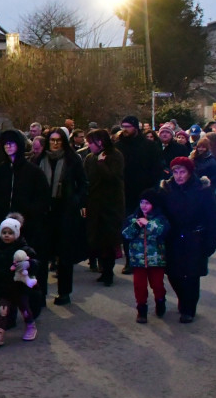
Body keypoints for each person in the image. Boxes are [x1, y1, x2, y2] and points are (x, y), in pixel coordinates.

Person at [0, 129, 50, 320]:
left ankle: (32, 309)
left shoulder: (33, 173)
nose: (8, 146)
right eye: (6, 143)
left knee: (28, 270)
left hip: (28, 231)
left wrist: (27, 215)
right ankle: (6, 316)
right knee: (4, 275)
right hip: (3, 233)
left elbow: (43, 201)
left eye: (12, 143)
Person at [157, 157, 216, 324]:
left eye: (182, 172)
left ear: (190, 172)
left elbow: (212, 218)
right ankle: (183, 298)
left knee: (192, 275)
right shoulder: (167, 189)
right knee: (173, 273)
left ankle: (189, 309)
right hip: (173, 237)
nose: (178, 176)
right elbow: (159, 212)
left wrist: (211, 241)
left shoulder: (202, 189)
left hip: (196, 237)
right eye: (175, 172)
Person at [33, 128, 87, 306]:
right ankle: (40, 292)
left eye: (58, 140)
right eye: (52, 140)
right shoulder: (39, 160)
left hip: (65, 211)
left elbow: (82, 184)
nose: (55, 143)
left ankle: (64, 292)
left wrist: (76, 201)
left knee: (64, 255)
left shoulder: (72, 160)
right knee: (41, 254)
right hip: (44, 212)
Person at [0, 215, 40, 348]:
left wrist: (28, 264)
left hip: (19, 287)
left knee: (24, 308)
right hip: (3, 287)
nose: (6, 236)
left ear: (17, 234)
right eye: (4, 232)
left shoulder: (23, 248)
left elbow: (36, 262)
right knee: (3, 311)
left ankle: (30, 325)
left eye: (10, 233)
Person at [116, 115, 163, 274]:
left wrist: (152, 191)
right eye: (123, 126)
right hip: (125, 193)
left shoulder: (150, 146)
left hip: (144, 193)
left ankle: (148, 259)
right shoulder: (119, 147)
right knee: (128, 227)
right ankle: (130, 261)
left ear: (135, 127)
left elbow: (157, 169)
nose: (125, 130)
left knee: (146, 227)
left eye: (128, 126)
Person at [83, 129, 125, 287]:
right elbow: (86, 179)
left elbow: (114, 178)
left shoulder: (115, 156)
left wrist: (102, 163)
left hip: (111, 205)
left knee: (109, 239)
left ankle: (108, 271)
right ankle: (102, 268)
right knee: (97, 239)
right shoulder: (89, 158)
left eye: (91, 143)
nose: (89, 146)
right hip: (94, 204)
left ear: (99, 142)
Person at [121, 189, 169, 324]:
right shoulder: (132, 219)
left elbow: (162, 231)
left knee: (157, 285)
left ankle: (160, 300)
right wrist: (136, 225)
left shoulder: (160, 219)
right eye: (142, 202)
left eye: (147, 203)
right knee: (139, 286)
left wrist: (148, 224)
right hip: (138, 261)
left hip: (156, 260)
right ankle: (141, 310)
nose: (144, 206)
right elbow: (125, 235)